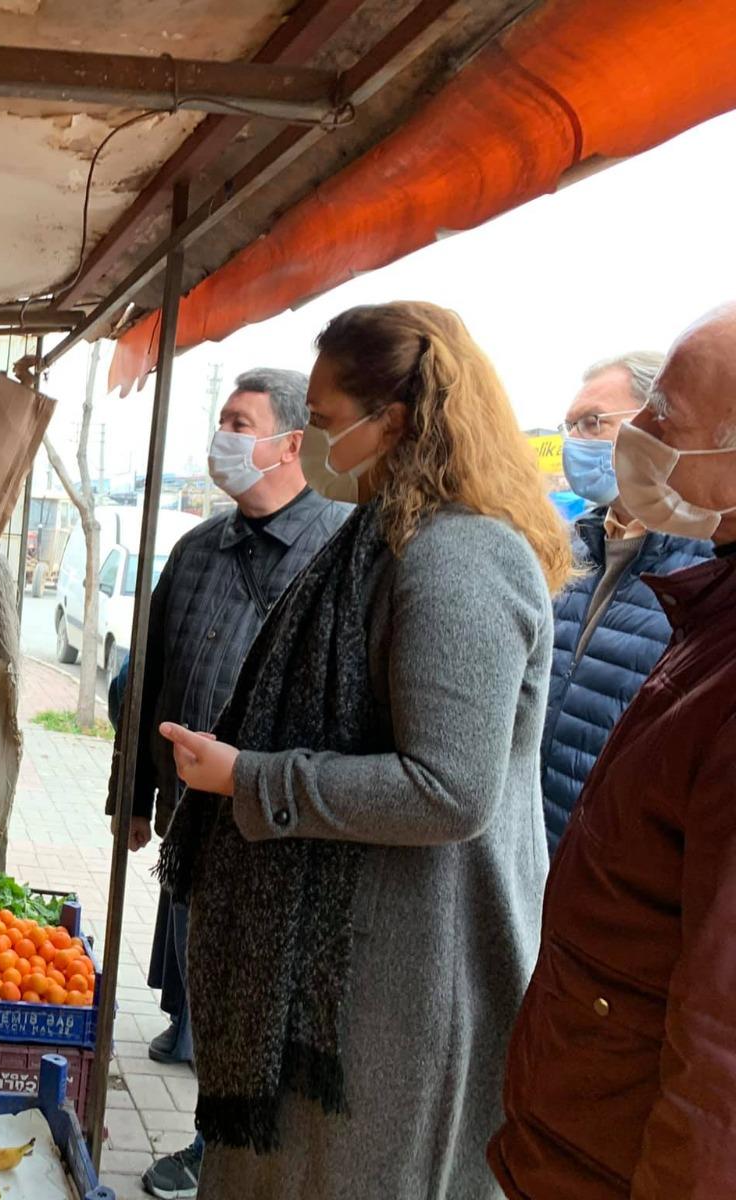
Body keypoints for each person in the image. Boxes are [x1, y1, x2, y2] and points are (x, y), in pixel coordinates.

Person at [157, 301, 570, 1198]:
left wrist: (250, 777)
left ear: (397, 421)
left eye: (328, 420)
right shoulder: (381, 538)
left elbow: (450, 789)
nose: (310, 442)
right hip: (347, 967)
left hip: (406, 981)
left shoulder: (458, 556)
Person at [490, 303, 736, 1198]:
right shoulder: (628, 578)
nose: (627, 441)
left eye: (659, 418)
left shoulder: (696, 590)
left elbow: (720, 1047)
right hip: (579, 1082)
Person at [104, 369, 348, 1200]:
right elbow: (150, 676)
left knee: (258, 1004)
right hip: (192, 822)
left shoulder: (338, 552)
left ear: (291, 443)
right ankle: (219, 1130)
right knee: (207, 981)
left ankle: (229, 1155)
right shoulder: (199, 548)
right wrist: (133, 796)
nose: (224, 440)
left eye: (240, 423)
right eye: (222, 421)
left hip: (283, 830)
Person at [541, 353, 711, 851]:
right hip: (537, 857)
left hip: (620, 870)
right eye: (571, 425)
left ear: (660, 427)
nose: (576, 442)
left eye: (593, 423)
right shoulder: (569, 551)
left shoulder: (705, 568)